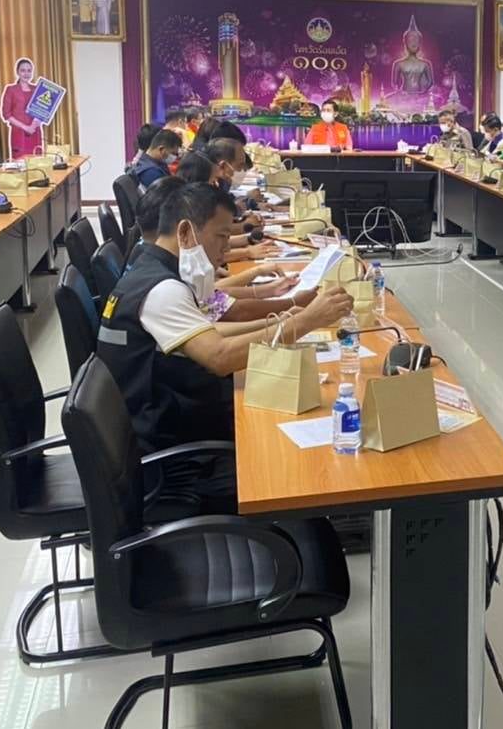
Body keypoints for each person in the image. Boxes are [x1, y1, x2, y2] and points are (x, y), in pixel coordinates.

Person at [94, 182, 353, 504]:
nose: (226, 249)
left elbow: (209, 331)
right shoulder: (162, 291)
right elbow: (219, 357)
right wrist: (305, 322)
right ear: (185, 232)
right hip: (173, 461)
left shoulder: (152, 270)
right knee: (289, 456)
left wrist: (285, 321)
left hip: (164, 429)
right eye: (221, 236)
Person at [0, 56, 42, 159]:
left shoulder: (36, 89)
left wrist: (37, 123)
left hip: (35, 132)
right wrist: (26, 127)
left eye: (29, 71)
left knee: (37, 162)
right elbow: (6, 114)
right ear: (17, 72)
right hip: (19, 133)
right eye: (23, 70)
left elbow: (43, 110)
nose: (26, 73)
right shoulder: (11, 89)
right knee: (20, 162)